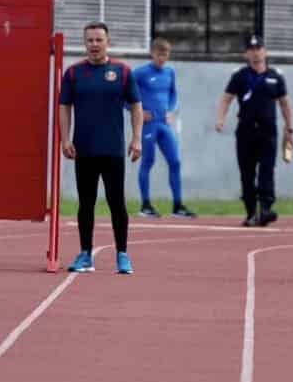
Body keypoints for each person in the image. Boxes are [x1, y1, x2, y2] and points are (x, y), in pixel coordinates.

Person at [57, 22, 143, 274]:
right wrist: (65, 139)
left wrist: (137, 138)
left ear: (108, 41)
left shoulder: (123, 72)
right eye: (90, 40)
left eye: (98, 40)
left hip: (113, 151)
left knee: (117, 203)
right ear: (84, 43)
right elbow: (64, 107)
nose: (94, 44)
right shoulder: (73, 74)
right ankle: (86, 254)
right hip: (84, 150)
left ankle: (123, 255)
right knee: (86, 203)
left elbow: (136, 106)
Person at [214, 34, 293, 227]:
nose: (256, 53)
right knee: (247, 173)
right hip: (246, 131)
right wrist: (221, 119)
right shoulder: (240, 76)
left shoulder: (276, 77)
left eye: (259, 49)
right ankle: (251, 212)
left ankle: (266, 209)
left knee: (267, 171)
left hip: (268, 131)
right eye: (251, 50)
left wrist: (290, 128)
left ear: (265, 51)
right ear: (246, 54)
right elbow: (227, 98)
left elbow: (285, 104)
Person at [134, 38, 193, 218]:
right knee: (148, 162)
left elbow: (173, 95)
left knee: (175, 161)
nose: (162, 58)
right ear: (152, 53)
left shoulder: (169, 72)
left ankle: (177, 205)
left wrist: (171, 110)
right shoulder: (140, 73)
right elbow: (124, 96)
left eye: (165, 54)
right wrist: (139, 111)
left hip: (163, 124)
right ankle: (145, 205)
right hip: (148, 125)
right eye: (159, 54)